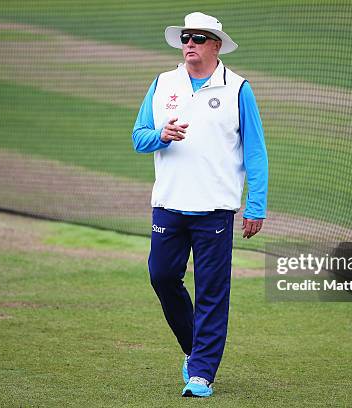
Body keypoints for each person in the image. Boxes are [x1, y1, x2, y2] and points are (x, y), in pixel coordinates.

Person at [131, 11, 268, 398]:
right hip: (169, 205)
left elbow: (255, 152)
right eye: (186, 37)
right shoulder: (162, 84)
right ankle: (196, 350)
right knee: (161, 276)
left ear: (216, 45)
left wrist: (255, 205)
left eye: (198, 38)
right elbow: (138, 137)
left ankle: (202, 373)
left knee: (212, 292)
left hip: (215, 211)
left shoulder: (238, 89)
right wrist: (161, 135)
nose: (189, 43)